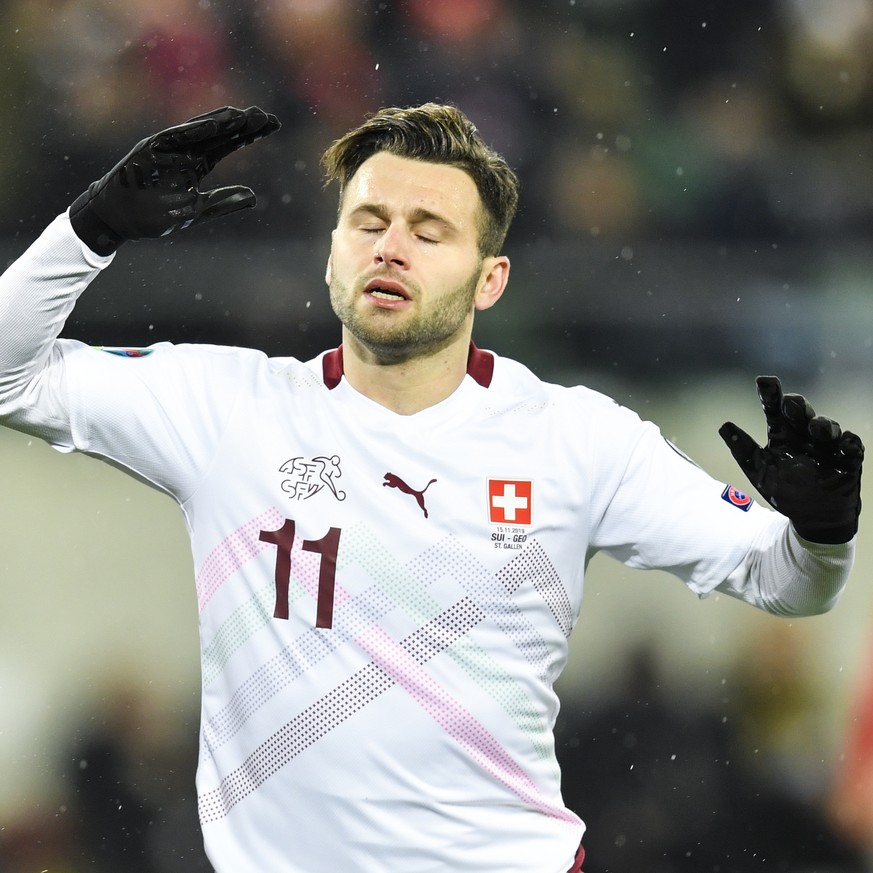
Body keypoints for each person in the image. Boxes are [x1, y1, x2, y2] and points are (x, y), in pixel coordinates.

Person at [0, 104, 864, 873]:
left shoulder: (575, 438)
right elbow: (11, 379)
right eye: (367, 220)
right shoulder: (229, 408)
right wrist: (91, 229)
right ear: (332, 252)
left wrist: (822, 531)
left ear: (489, 278)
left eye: (428, 228)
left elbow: (784, 580)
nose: (390, 244)